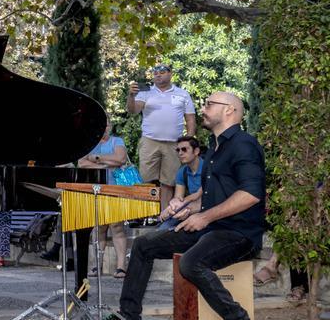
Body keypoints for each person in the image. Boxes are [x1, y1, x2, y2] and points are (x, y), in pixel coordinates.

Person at [105, 92, 266, 320]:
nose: (203, 108)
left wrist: (205, 216)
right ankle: (129, 315)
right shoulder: (214, 149)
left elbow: (250, 194)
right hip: (211, 229)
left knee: (191, 264)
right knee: (143, 245)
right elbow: (216, 197)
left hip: (238, 233)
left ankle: (238, 317)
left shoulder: (244, 145)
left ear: (229, 110)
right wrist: (188, 209)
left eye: (209, 104)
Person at [126, 64, 196, 211]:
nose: (158, 75)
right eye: (155, 72)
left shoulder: (182, 94)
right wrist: (131, 96)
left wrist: (188, 141)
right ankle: (146, 215)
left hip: (174, 144)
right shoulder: (145, 92)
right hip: (150, 141)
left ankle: (164, 216)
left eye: (162, 72)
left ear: (171, 74)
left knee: (169, 182)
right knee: (146, 179)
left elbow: (190, 119)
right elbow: (133, 110)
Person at [77, 123, 128, 278]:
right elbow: (81, 163)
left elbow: (120, 159)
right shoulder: (89, 143)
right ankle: (96, 266)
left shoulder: (117, 141)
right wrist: (107, 163)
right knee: (99, 228)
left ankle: (121, 267)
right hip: (95, 190)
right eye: (102, 125)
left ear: (109, 126)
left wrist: (97, 159)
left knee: (116, 226)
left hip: (114, 189)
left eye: (106, 125)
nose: (104, 128)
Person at [157, 136, 203, 231]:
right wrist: (172, 206)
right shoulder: (182, 171)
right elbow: (178, 198)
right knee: (162, 230)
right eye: (178, 150)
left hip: (207, 208)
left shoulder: (208, 168)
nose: (180, 153)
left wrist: (180, 205)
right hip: (188, 207)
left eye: (184, 149)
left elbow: (198, 195)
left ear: (196, 151)